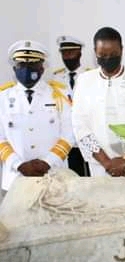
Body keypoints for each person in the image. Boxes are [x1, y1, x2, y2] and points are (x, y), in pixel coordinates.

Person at [0, 40, 74, 194]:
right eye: (21, 66)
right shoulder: (3, 98)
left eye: (32, 65)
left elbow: (69, 134)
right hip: (15, 179)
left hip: (55, 176)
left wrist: (47, 162)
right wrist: (19, 164)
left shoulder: (58, 95)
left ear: (42, 68)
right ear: (14, 68)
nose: (26, 70)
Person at [72, 27, 125, 177]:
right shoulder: (85, 81)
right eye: (103, 55)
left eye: (113, 54)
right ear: (95, 52)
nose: (108, 59)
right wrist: (106, 163)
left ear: (122, 50)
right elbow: (80, 125)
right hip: (99, 166)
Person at [49, 35, 91, 176]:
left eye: (71, 52)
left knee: (92, 175)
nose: (67, 56)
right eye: (64, 53)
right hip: (66, 137)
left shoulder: (90, 75)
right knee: (72, 176)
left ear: (79, 52)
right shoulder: (55, 77)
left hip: (87, 133)